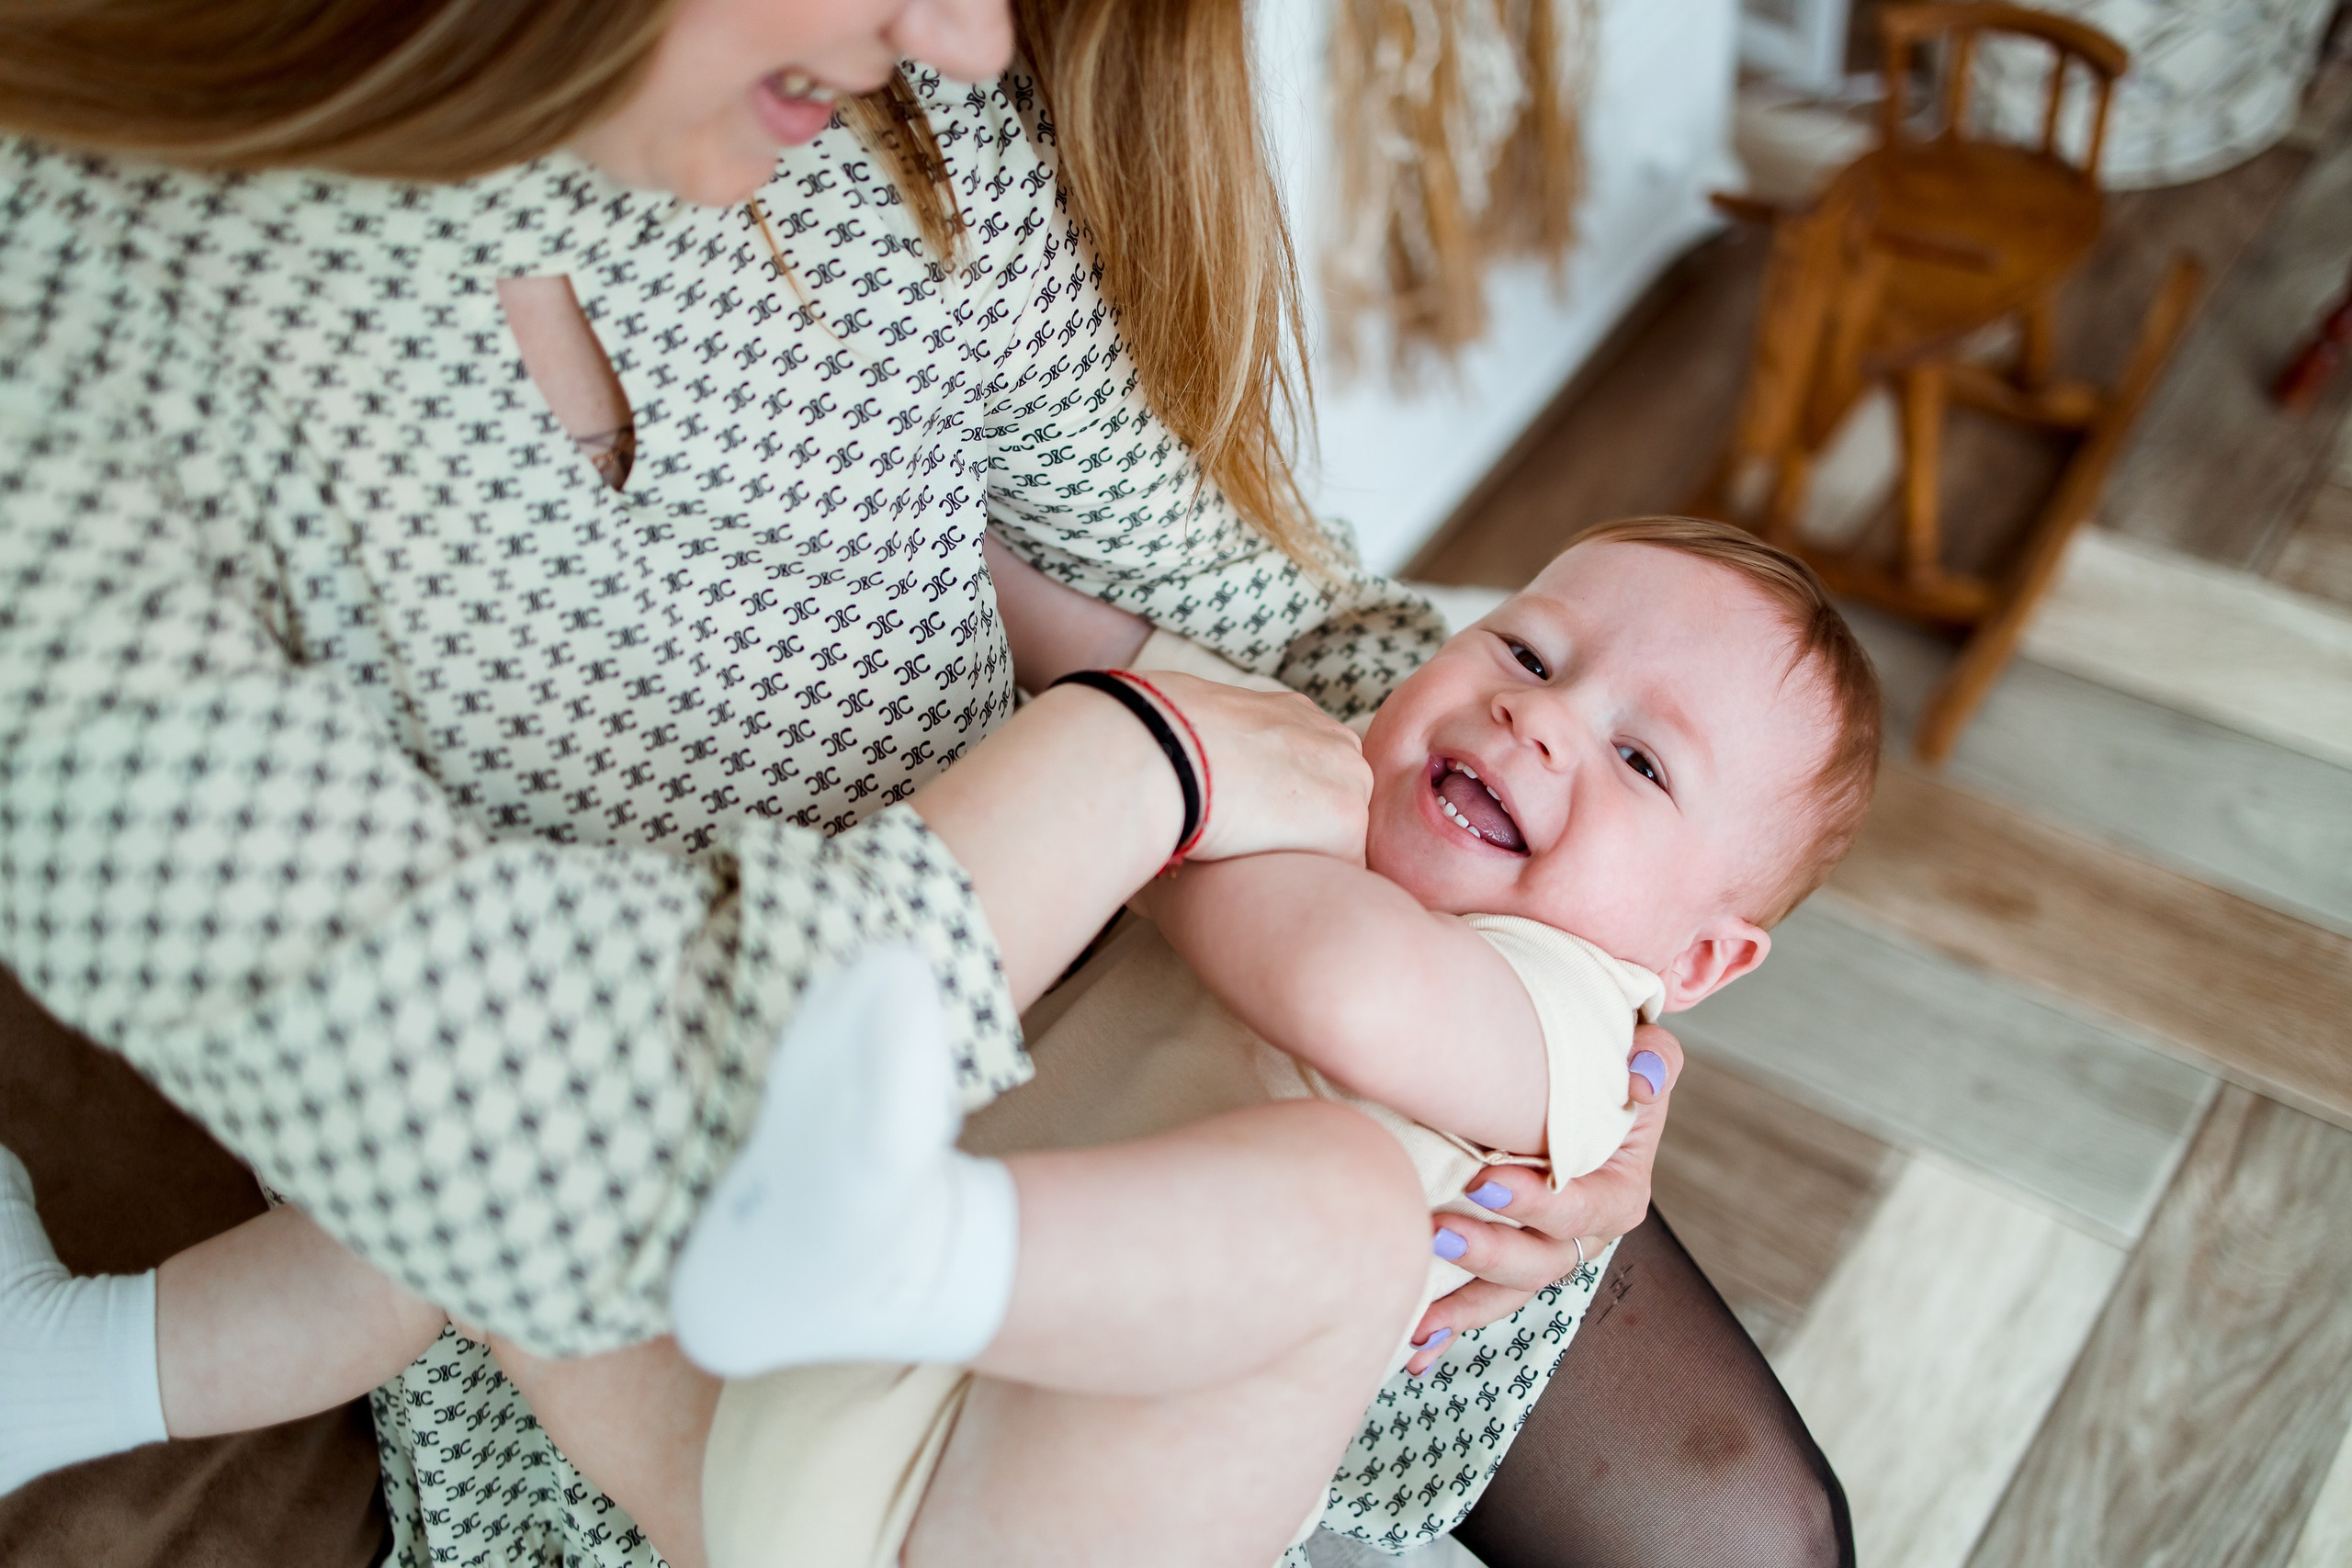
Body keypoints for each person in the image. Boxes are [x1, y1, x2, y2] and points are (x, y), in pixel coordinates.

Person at [0, 0, 1852, 1560]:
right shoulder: (68, 341)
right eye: (1542, 659)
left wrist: (1561, 1057)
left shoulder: (889, 144)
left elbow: (1273, 617)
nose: (973, 43)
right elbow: (497, 1110)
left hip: (1074, 1111)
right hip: (661, 1234)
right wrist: (1130, 766)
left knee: (1750, 1522)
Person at [0, 519, 1872, 1568]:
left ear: (1698, 957)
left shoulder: (1563, 1017)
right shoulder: (1330, 770)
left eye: (1638, 758)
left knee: (1338, 1216)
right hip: (785, 1456)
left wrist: (1147, 780)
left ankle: (886, 1234)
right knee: (515, 1167)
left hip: (1037, 1518)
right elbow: (1061, 595)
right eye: (1528, 652)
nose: (1543, 723)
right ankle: (68, 1371)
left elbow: (1345, 988)